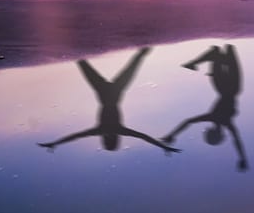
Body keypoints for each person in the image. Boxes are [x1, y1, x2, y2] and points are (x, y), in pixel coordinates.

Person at [37, 47, 179, 155]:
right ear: (109, 140)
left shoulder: (113, 131)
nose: (107, 137)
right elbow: (144, 137)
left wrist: (55, 143)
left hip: (111, 92)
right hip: (109, 92)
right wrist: (55, 143)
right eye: (108, 140)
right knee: (82, 60)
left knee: (136, 58)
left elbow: (75, 136)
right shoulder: (106, 131)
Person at [162, 45, 248, 170]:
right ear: (210, 132)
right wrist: (172, 135)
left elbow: (237, 140)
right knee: (218, 52)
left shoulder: (225, 122)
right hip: (223, 86)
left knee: (226, 51)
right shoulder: (215, 119)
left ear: (221, 134)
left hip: (233, 87)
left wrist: (242, 157)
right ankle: (193, 63)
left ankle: (193, 63)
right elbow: (188, 122)